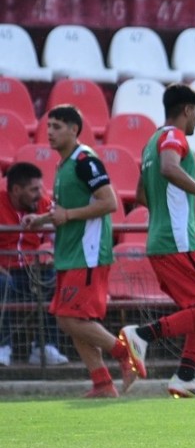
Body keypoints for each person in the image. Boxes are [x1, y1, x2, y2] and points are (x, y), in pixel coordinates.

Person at [119, 83, 195, 399]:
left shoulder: (150, 142)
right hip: (177, 243)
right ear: (186, 110)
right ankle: (140, 335)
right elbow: (169, 168)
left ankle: (184, 377)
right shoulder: (173, 136)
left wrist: (187, 216)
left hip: (162, 240)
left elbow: (143, 194)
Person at [22, 106, 141, 397]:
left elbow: (110, 202)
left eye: (58, 126)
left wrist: (69, 215)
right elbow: (64, 211)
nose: (50, 131)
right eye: (48, 125)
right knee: (77, 322)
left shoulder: (86, 160)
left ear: (75, 130)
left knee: (68, 319)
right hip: (71, 254)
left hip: (87, 255)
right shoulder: (65, 164)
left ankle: (126, 353)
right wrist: (42, 219)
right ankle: (102, 384)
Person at [0, 162, 69, 367]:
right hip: (4, 271)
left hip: (33, 270)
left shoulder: (44, 206)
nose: (40, 194)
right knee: (2, 284)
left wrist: (54, 256)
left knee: (57, 280)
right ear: (16, 190)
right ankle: (3, 347)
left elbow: (61, 240)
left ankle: (45, 347)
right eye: (34, 189)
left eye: (40, 188)